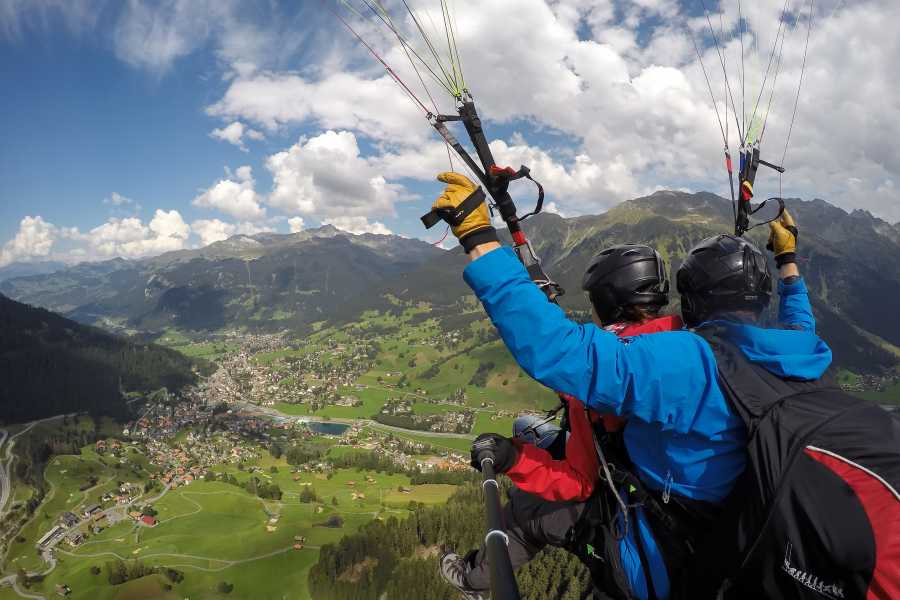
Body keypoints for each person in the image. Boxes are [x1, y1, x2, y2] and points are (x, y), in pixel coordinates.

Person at [431, 172, 830, 600]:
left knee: (530, 513)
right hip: (738, 523)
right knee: (535, 428)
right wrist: (788, 261)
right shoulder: (797, 352)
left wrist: (477, 236)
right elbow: (799, 320)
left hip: (658, 553)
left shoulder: (678, 363)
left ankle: (476, 578)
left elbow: (558, 355)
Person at [440, 245, 684, 600]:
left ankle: (474, 580)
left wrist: (514, 460)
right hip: (659, 481)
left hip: (619, 499)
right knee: (527, 425)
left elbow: (577, 484)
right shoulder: (685, 339)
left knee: (525, 514)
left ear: (605, 300)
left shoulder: (610, 365)